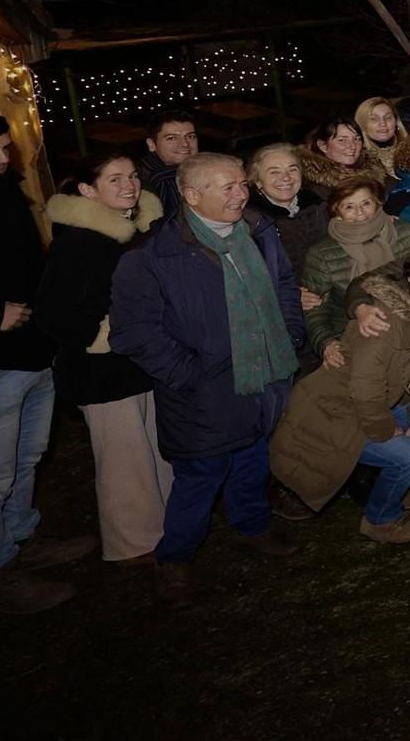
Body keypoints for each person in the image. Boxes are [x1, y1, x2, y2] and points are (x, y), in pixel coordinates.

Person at [111, 152, 306, 609]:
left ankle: (252, 526)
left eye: (242, 184)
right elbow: (134, 332)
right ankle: (174, 559)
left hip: (264, 376)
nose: (241, 194)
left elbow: (283, 284)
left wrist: (290, 331)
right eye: (228, 187)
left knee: (253, 459)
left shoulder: (259, 230)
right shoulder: (152, 256)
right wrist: (189, 372)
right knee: (201, 476)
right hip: (203, 391)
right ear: (191, 195)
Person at [0, 107, 89, 614]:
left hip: (34, 351)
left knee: (27, 458)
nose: (0, 159)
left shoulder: (5, 190)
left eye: (3, 149)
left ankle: (21, 536)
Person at [268, 244, 410, 544]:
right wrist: (387, 430)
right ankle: (380, 519)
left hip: (378, 401)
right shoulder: (384, 320)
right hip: (337, 410)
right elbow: (364, 388)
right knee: (407, 455)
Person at [35, 153, 168, 569]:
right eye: (115, 180)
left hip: (141, 360)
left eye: (132, 176)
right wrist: (104, 336)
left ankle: (166, 525)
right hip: (102, 370)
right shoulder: (79, 242)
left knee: (156, 447)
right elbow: (55, 312)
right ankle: (132, 542)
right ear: (88, 191)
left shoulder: (136, 232)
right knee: (123, 458)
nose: (129, 185)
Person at [300, 179, 410, 368]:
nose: (360, 213)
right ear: (337, 213)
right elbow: (315, 309)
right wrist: (327, 343)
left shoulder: (405, 232)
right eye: (349, 207)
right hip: (353, 337)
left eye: (366, 203)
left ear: (378, 204)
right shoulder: (322, 254)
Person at [247, 142, 327, 270]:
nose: (286, 178)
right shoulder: (251, 222)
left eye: (292, 169)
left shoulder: (320, 206)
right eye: (274, 172)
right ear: (257, 181)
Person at [139, 108, 199, 217]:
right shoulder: (141, 185)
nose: (185, 144)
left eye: (190, 136)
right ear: (151, 144)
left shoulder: (209, 170)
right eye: (172, 138)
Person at [298, 117, 373, 198]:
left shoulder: (374, 172)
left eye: (356, 139)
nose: (352, 146)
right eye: (342, 140)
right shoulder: (311, 188)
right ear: (323, 146)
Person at [354, 96, 405, 179]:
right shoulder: (356, 161)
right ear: (362, 124)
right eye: (373, 119)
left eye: (388, 117)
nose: (383, 123)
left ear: (396, 121)